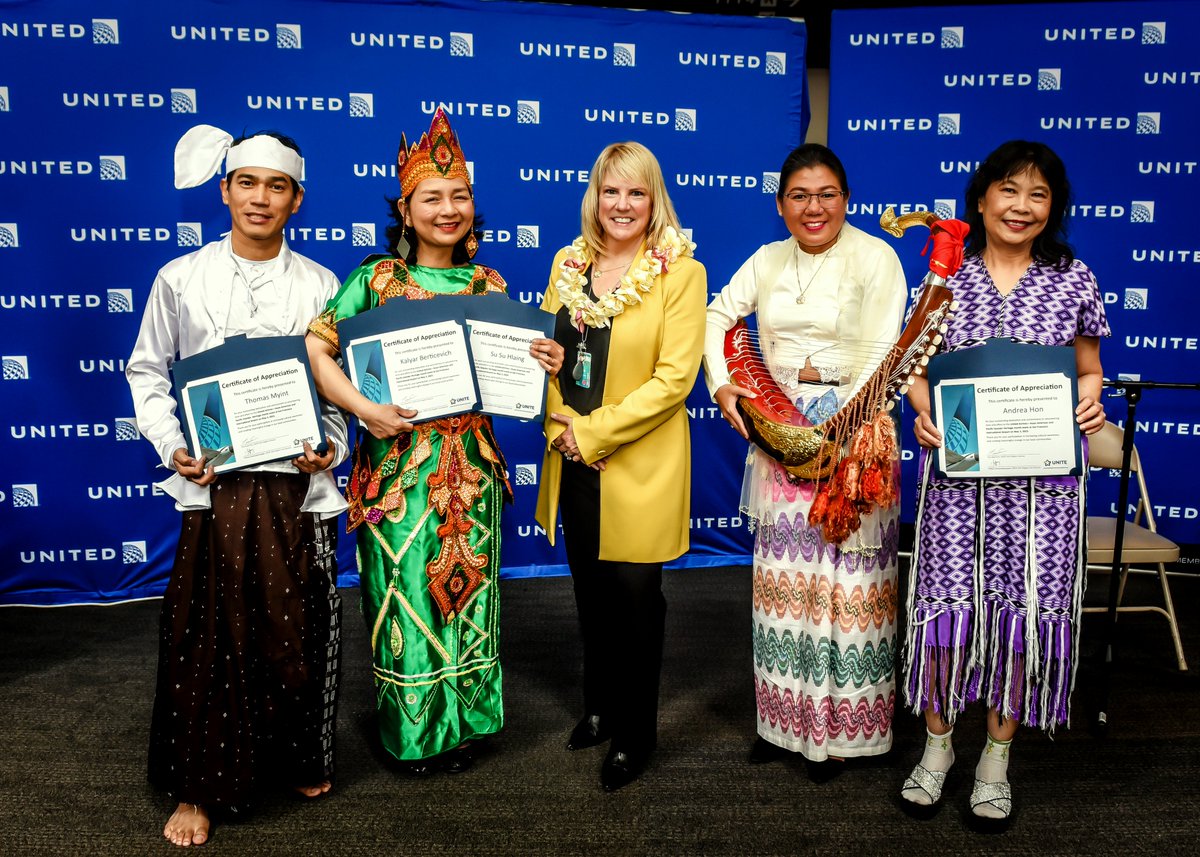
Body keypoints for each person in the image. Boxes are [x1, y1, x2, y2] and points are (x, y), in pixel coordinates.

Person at [305, 109, 563, 776]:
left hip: (471, 470)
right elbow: (317, 346)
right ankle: (415, 734)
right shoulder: (376, 280)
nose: (448, 209)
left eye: (460, 197)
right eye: (432, 198)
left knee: (472, 593)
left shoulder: (491, 285)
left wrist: (541, 359)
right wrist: (366, 409)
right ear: (405, 207)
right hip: (399, 474)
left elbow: (510, 379)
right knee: (408, 602)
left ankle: (470, 722)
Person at [127, 125, 348, 847]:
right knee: (209, 634)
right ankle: (199, 786)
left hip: (293, 487)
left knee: (297, 628)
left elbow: (339, 394)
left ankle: (295, 754)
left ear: (297, 200)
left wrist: (332, 447)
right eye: (246, 182)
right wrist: (172, 445)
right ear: (225, 191)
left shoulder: (321, 286)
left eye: (275, 186)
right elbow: (148, 373)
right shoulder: (179, 278)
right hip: (215, 487)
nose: (260, 197)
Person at [898, 141, 1108, 825]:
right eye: (1009, 190)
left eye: (1038, 194)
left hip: (1042, 491)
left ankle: (994, 759)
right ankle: (936, 750)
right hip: (959, 484)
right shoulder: (942, 278)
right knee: (946, 606)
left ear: (1053, 207)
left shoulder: (1074, 278)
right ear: (981, 199)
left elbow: (1087, 368)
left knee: (1020, 612)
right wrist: (926, 415)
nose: (1022, 205)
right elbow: (917, 373)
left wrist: (1089, 400)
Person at [703, 143, 907, 773]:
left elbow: (882, 355)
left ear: (846, 199)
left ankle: (849, 734)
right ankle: (783, 726)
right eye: (799, 195)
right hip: (779, 440)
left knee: (848, 586)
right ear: (780, 204)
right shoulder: (767, 260)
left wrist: (829, 428)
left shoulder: (877, 257)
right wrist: (723, 385)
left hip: (852, 440)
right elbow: (717, 316)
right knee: (784, 590)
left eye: (826, 194)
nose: (813, 207)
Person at [534, 141, 707, 791]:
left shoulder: (680, 273)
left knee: (637, 601)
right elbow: (550, 353)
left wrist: (593, 434)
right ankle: (600, 706)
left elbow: (673, 380)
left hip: (636, 463)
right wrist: (559, 420)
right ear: (595, 197)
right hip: (571, 454)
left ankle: (637, 731)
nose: (623, 204)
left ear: (654, 198)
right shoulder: (568, 261)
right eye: (612, 191)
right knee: (590, 594)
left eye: (636, 192)